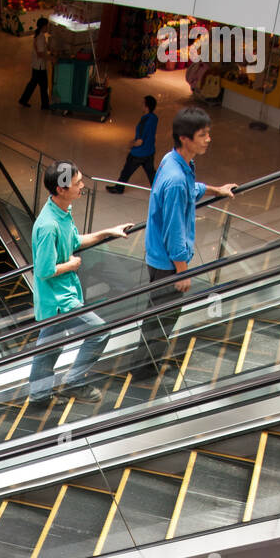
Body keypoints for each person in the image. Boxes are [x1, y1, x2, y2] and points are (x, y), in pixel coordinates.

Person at [137, 106, 237, 373]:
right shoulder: (176, 179)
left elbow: (190, 189)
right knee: (162, 316)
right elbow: (174, 230)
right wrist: (182, 272)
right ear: (185, 138)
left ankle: (147, 361)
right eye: (203, 135)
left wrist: (217, 190)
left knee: (158, 314)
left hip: (160, 256)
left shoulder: (174, 161)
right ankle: (145, 368)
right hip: (167, 263)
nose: (208, 139)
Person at [29, 161, 133, 402]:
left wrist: (108, 232)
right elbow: (44, 270)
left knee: (49, 346)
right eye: (77, 183)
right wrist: (71, 265)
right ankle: (73, 381)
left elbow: (74, 240)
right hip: (59, 299)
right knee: (99, 332)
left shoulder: (62, 212)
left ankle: (39, 394)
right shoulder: (47, 225)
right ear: (61, 189)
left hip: (63, 294)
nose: (82, 186)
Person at [106, 96, 158, 192]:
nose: (141, 105)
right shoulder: (154, 118)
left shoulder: (144, 121)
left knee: (126, 171)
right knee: (151, 173)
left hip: (138, 153)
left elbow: (139, 142)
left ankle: (119, 188)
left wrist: (131, 144)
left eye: (143, 103)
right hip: (150, 152)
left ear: (147, 107)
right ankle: (159, 191)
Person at [19, 17, 52, 110]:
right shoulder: (40, 38)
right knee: (43, 85)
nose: (47, 28)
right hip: (40, 66)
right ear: (43, 26)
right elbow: (40, 54)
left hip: (36, 65)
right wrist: (51, 59)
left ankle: (24, 100)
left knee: (34, 84)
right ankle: (44, 105)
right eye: (47, 26)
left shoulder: (39, 35)